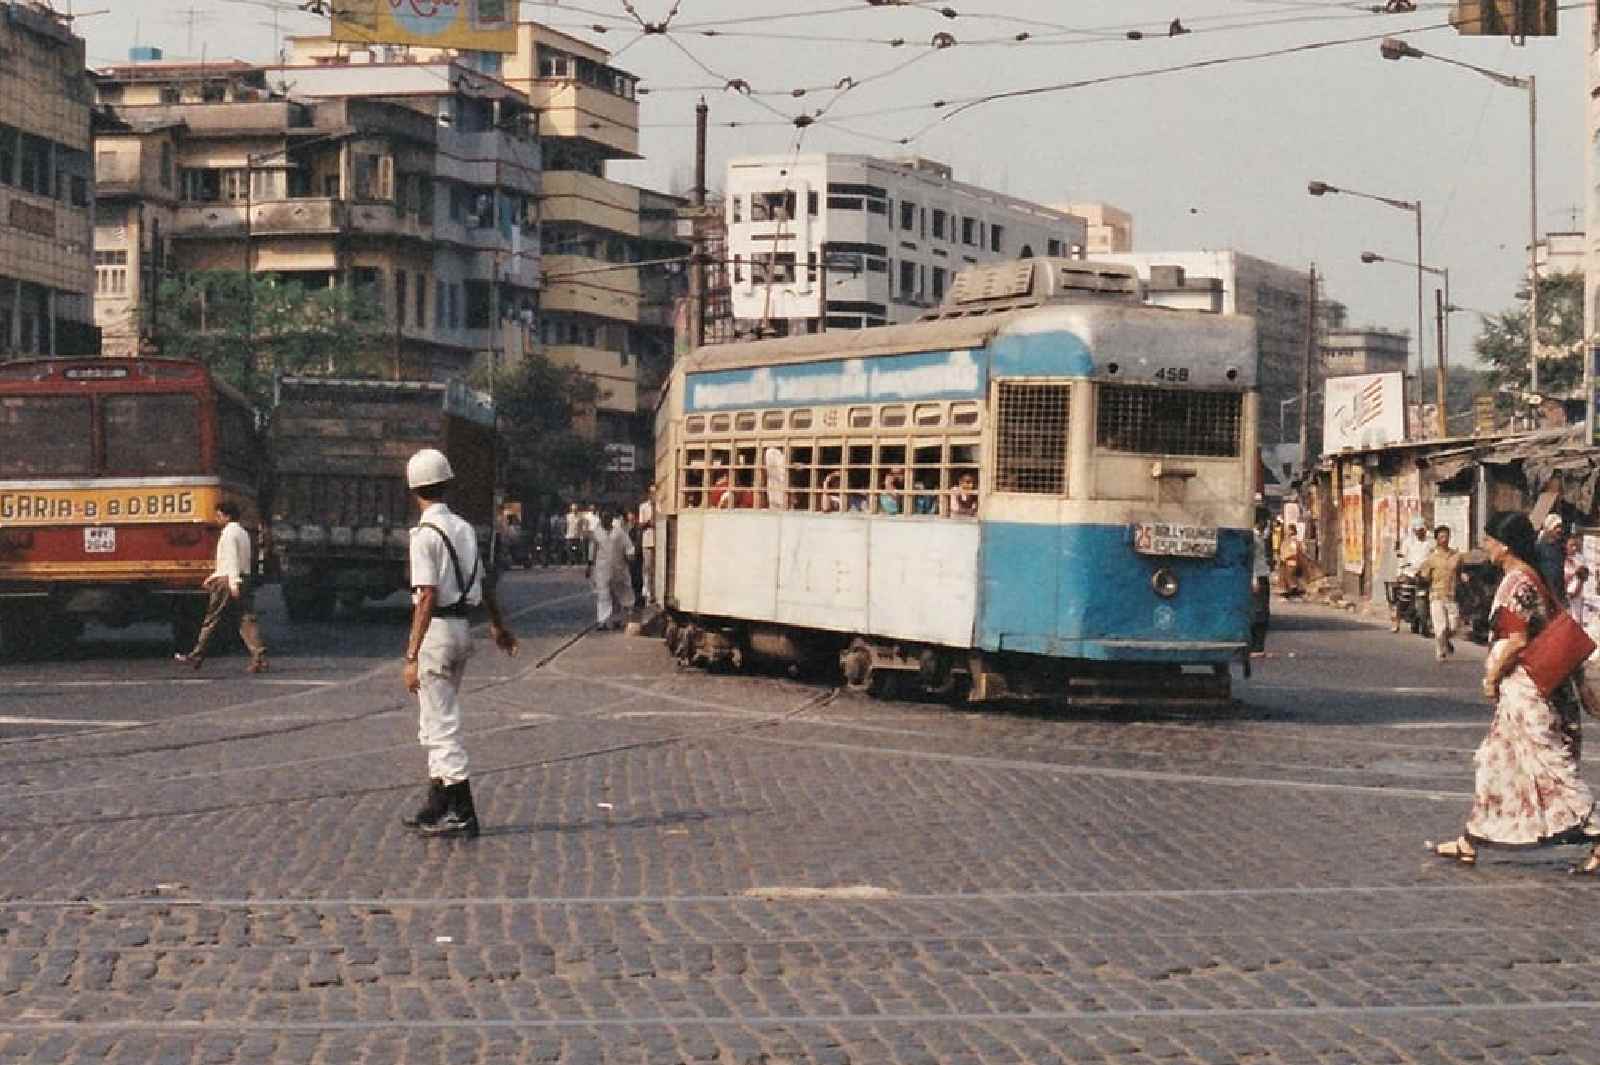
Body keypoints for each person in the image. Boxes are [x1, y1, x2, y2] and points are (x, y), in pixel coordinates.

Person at [1429, 510, 1600, 872]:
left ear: (1504, 546)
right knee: (1497, 764)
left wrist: (1491, 677)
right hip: (1538, 689)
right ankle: (1470, 838)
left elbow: (1515, 639)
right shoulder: (1533, 579)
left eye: (1489, 540)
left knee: (1553, 769)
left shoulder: (1516, 583)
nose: (1485, 546)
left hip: (1530, 693)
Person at [400, 448, 518, 839]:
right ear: (447, 484)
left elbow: (427, 595)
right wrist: (499, 628)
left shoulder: (422, 536)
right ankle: (437, 804)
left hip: (436, 633)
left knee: (441, 725)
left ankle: (464, 812)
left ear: (414, 488)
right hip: (463, 630)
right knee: (433, 719)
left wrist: (411, 655)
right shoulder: (465, 529)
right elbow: (484, 585)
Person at [175, 501, 267, 673]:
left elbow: (231, 560)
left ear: (226, 516)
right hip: (243, 577)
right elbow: (242, 560)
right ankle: (259, 656)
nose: (217, 519)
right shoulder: (243, 533)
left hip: (228, 581)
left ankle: (197, 654)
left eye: (218, 515)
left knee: (212, 619)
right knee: (246, 619)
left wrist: (232, 582)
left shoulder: (228, 534)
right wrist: (215, 577)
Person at [1415, 524, 1467, 662]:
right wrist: (1421, 576)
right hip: (1436, 595)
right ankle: (1440, 651)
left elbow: (1460, 571)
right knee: (1441, 627)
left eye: (1446, 536)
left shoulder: (1456, 556)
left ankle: (1445, 641)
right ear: (1437, 539)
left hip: (1452, 595)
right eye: (1441, 536)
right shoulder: (1432, 557)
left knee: (1454, 626)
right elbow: (1425, 575)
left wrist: (1463, 577)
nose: (1444, 539)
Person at [586, 508, 636, 630]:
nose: (605, 520)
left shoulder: (619, 533)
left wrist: (630, 556)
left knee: (620, 594)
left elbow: (629, 546)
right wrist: (589, 565)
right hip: (602, 568)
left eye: (608, 518)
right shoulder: (597, 533)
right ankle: (602, 621)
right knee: (603, 594)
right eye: (603, 518)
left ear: (611, 519)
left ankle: (619, 619)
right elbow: (592, 550)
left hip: (619, 568)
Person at [1393, 514, 1433, 631]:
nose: (1419, 532)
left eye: (1421, 530)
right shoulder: (1407, 541)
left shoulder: (1430, 541)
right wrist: (1400, 572)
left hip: (1424, 574)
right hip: (1409, 572)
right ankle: (1397, 621)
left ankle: (1426, 622)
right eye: (1417, 530)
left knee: (1426, 597)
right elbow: (1402, 557)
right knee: (1404, 598)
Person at [1537, 514, 1569, 607]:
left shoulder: (1559, 546)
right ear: (1549, 528)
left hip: (1559, 590)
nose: (1559, 530)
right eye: (1556, 527)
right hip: (1546, 589)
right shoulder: (1539, 546)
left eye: (1560, 527)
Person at [1565, 535, 1589, 624]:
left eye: (1575, 545)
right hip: (1567, 596)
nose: (1574, 548)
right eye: (1571, 545)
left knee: (1578, 621)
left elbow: (1585, 575)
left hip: (1579, 596)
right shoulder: (1561, 560)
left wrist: (1581, 577)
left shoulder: (1580, 558)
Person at [638, 490, 656, 606]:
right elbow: (641, 524)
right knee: (647, 567)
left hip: (658, 540)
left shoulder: (660, 506)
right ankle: (646, 592)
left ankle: (654, 593)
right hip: (647, 540)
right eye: (651, 493)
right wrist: (649, 522)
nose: (653, 495)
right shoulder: (643, 507)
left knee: (656, 568)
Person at [1277, 522, 1304, 596]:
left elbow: (1293, 551)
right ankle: (1291, 588)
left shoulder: (1293, 540)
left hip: (1291, 561)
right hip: (1289, 560)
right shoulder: (1289, 540)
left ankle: (1293, 588)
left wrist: (1285, 557)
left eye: (1288, 530)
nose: (1287, 531)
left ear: (1292, 531)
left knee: (1289, 575)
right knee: (1287, 575)